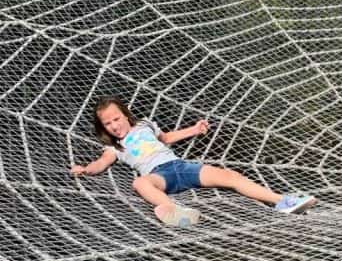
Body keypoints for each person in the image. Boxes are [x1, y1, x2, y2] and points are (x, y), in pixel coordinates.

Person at [71, 97, 316, 227]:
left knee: (229, 176)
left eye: (116, 119)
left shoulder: (145, 125)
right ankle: (172, 210)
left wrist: (194, 130)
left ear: (125, 114)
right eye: (108, 124)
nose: (114, 126)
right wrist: (85, 169)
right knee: (140, 183)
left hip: (180, 167)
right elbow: (101, 164)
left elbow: (165, 138)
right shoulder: (114, 147)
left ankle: (282, 201)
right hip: (159, 176)